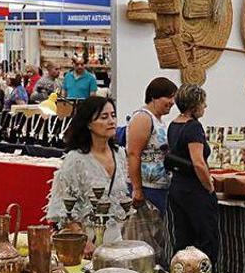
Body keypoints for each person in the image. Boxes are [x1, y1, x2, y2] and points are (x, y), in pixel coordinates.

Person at [46, 95, 130, 250]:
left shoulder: (120, 154)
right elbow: (62, 206)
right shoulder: (75, 159)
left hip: (116, 239)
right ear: (89, 124)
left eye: (113, 115)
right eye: (104, 117)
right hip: (87, 242)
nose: (111, 121)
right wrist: (83, 240)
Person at [165, 85, 219, 262]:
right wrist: (209, 187)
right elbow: (198, 162)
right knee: (206, 239)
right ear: (195, 105)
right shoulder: (194, 127)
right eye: (203, 102)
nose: (205, 106)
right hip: (194, 191)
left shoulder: (174, 125)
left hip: (178, 188)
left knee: (182, 238)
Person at [126, 77, 177, 222]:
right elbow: (133, 153)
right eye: (168, 97)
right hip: (147, 189)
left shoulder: (159, 120)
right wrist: (137, 189)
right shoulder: (143, 118)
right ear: (154, 97)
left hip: (159, 187)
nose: (172, 102)